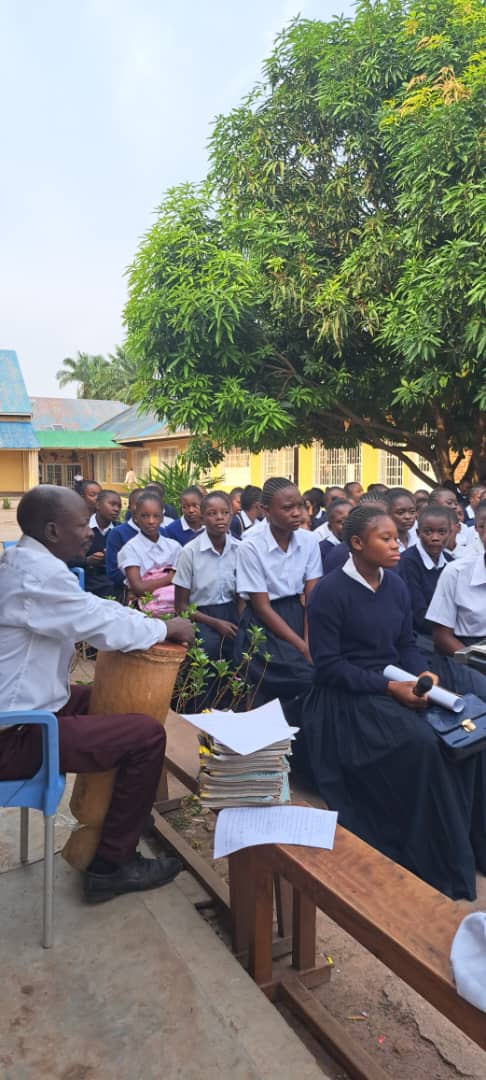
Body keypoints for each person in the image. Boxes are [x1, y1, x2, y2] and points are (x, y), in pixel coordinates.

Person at [0, 485, 194, 902]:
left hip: (30, 709)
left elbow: (91, 607)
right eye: (80, 524)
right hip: (12, 736)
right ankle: (112, 865)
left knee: (102, 697)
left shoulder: (30, 562)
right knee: (147, 736)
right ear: (52, 531)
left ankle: (118, 813)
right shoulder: (35, 576)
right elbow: (101, 626)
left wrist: (150, 621)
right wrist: (165, 627)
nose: (90, 532)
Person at [301, 503, 486, 900]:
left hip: (399, 679)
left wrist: (424, 676)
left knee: (467, 730)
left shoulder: (395, 585)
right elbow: (328, 666)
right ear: (356, 543)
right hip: (347, 697)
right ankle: (432, 858)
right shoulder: (329, 593)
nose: (396, 544)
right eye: (385, 538)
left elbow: (405, 644)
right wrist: (390, 689)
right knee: (422, 745)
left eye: (396, 537)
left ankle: (470, 846)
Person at [234, 477, 322, 710]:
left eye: (300, 506)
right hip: (264, 623)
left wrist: (309, 640)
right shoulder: (250, 546)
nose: (297, 513)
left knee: (324, 671)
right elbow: (262, 607)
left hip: (302, 615)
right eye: (287, 508)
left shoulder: (310, 540)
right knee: (302, 676)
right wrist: (303, 648)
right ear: (265, 510)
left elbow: (311, 594)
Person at [174, 491, 239, 660]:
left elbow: (242, 597)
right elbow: (181, 606)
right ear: (202, 519)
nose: (220, 518)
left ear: (231, 515)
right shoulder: (190, 552)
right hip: (200, 616)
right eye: (212, 513)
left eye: (225, 513)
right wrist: (216, 624)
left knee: (243, 648)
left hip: (231, 611)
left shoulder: (239, 549)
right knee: (209, 647)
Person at [426, 499, 486, 659]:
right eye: (483, 526)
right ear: (478, 530)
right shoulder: (456, 572)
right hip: (470, 656)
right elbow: (441, 636)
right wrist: (476, 662)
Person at [118, 492, 182, 614]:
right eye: (145, 516)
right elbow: (138, 588)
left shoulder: (174, 547)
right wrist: (170, 578)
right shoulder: (130, 549)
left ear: (162, 518)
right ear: (136, 517)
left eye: (156, 516)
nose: (151, 521)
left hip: (176, 608)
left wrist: (150, 584)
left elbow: (184, 580)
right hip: (143, 611)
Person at [398, 505, 454, 643]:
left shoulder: (451, 562)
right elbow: (419, 615)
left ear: (450, 532)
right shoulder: (407, 562)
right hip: (421, 635)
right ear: (418, 533)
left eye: (442, 532)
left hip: (450, 628)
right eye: (428, 532)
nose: (435, 538)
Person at [78, 489, 121, 598]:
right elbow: (66, 558)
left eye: (119, 506)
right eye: (112, 504)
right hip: (88, 577)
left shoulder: (119, 530)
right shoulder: (81, 527)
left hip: (114, 578)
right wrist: (88, 561)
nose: (116, 509)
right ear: (98, 505)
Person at [317, 499, 352, 571]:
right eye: (340, 522)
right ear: (330, 527)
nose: (347, 525)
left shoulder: (361, 545)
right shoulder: (322, 550)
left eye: (351, 519)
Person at [384, 487, 417, 552]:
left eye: (412, 512)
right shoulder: (383, 543)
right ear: (387, 513)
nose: (407, 517)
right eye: (400, 512)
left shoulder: (418, 538)